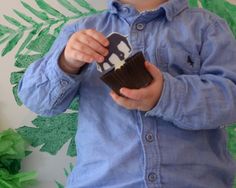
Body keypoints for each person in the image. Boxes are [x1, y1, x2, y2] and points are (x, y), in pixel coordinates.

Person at [18, 0, 236, 187]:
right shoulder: (81, 32)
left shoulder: (207, 27)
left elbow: (231, 99)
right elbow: (37, 101)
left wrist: (167, 95)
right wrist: (66, 62)